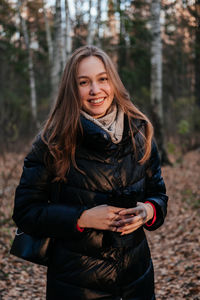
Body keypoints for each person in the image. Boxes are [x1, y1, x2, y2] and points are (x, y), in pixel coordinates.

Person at [12, 45, 168, 300]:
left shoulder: (140, 132)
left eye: (102, 79)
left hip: (137, 281)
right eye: (84, 82)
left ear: (113, 82)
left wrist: (147, 211)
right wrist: (82, 217)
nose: (96, 90)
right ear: (71, 89)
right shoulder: (52, 142)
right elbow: (26, 212)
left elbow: (159, 194)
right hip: (77, 287)